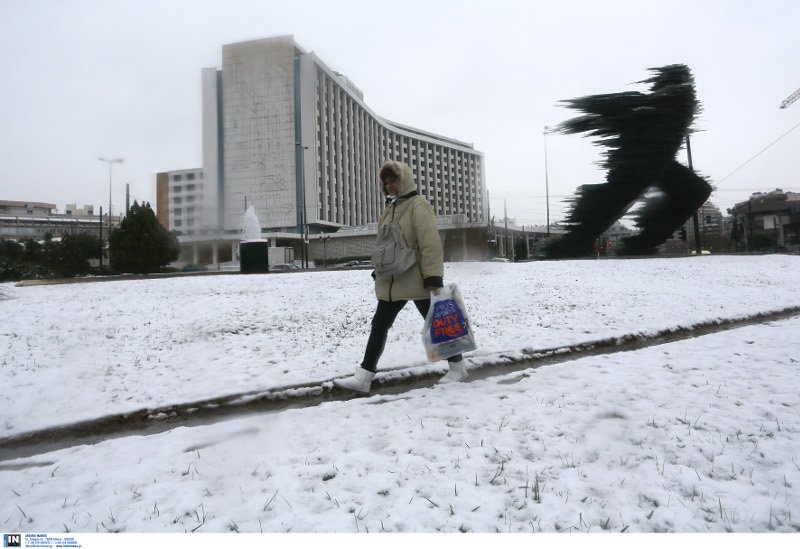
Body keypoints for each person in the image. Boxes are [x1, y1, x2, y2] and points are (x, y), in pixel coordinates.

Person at [334, 160, 468, 393]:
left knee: (438, 322)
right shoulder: (389, 210)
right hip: (392, 280)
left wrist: (433, 277)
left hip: (417, 280)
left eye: (394, 180)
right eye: (386, 183)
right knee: (379, 324)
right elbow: (386, 245)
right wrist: (380, 268)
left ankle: (457, 368)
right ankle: (364, 376)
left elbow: (430, 243)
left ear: (404, 180)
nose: (390, 186)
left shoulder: (418, 205)